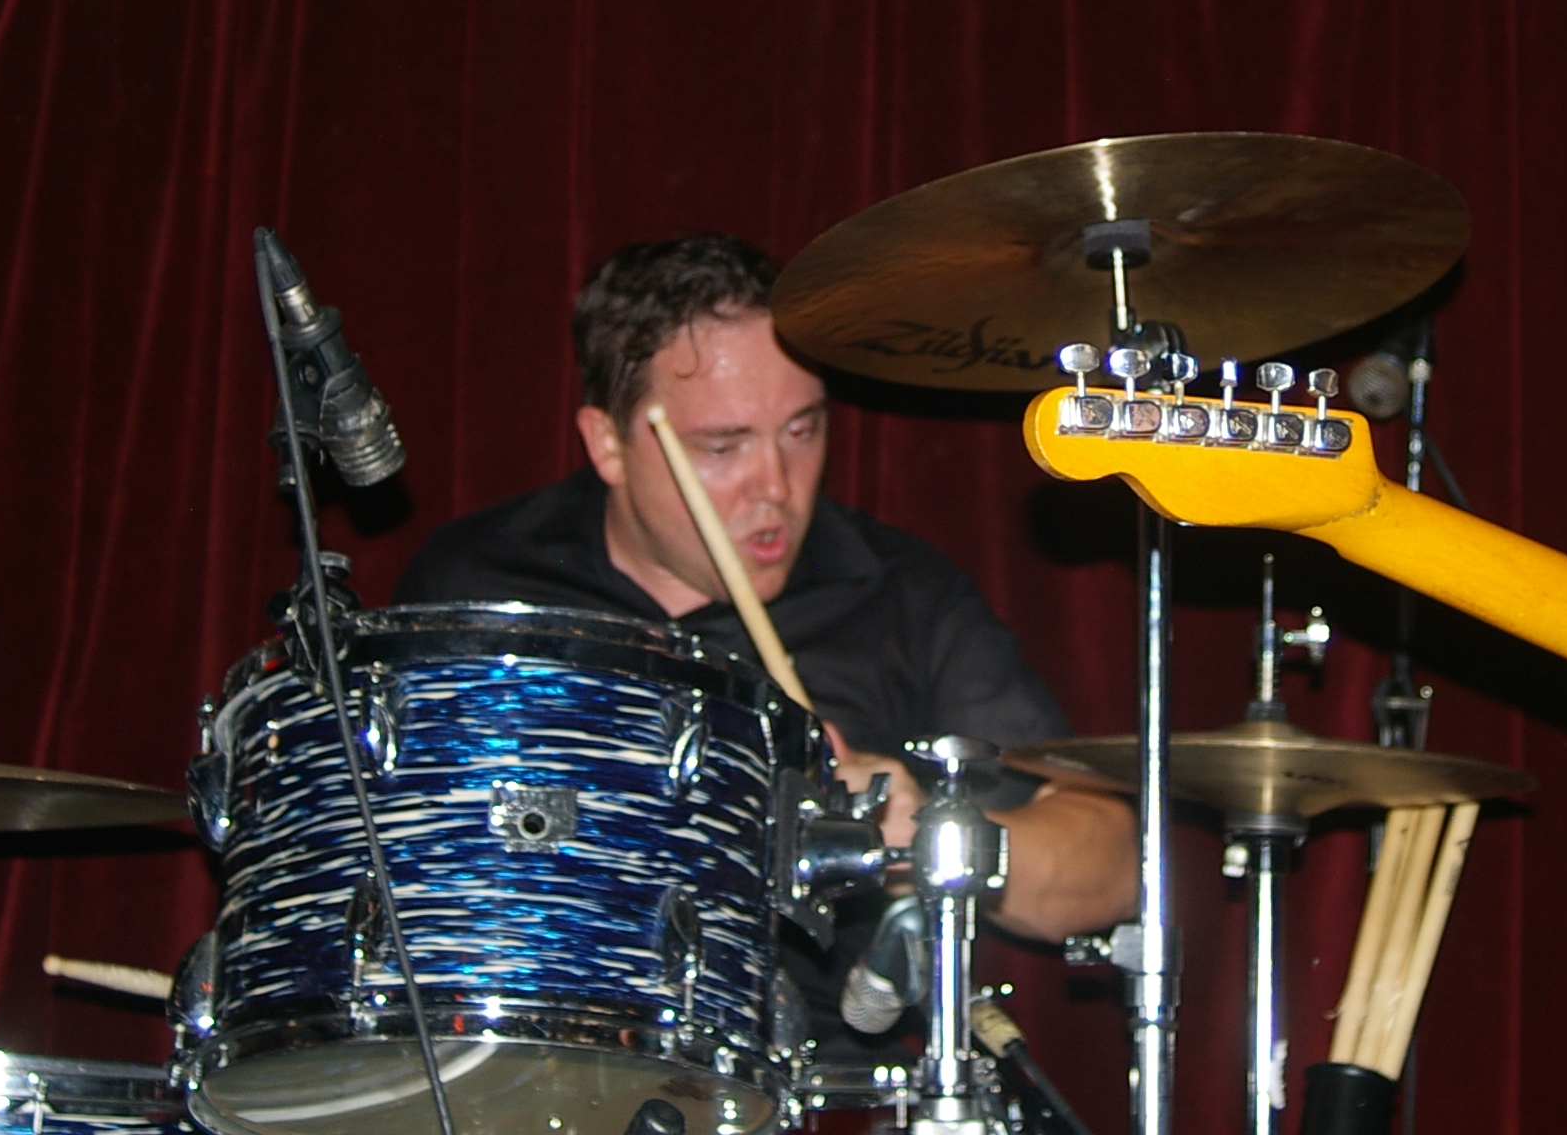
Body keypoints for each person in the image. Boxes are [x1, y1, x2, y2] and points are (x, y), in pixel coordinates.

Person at [394, 233, 1137, 1055]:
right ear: (608, 444)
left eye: (801, 431)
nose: (776, 488)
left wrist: (928, 832)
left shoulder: (898, 595)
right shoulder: (479, 585)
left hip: (812, 1084)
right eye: (723, 447)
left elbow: (1111, 862)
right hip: (509, 1056)